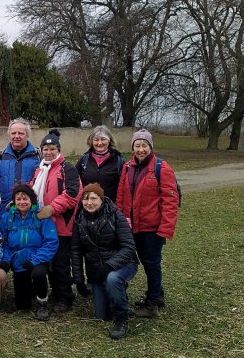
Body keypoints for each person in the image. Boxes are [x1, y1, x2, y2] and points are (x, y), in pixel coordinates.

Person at [116, 129, 180, 318]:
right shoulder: (127, 167)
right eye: (137, 145)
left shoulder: (162, 168)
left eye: (144, 145)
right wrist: (120, 220)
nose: (141, 149)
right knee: (141, 261)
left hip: (152, 228)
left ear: (150, 147)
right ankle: (157, 294)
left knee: (151, 264)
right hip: (132, 226)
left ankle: (152, 304)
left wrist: (165, 229)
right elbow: (121, 196)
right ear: (133, 147)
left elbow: (170, 200)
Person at [71, 183, 138, 339]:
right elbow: (76, 251)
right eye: (86, 199)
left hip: (124, 263)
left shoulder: (115, 215)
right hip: (97, 272)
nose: (89, 203)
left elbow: (128, 247)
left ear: (101, 199)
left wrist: (109, 266)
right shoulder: (79, 220)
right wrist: (79, 279)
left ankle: (122, 319)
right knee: (102, 315)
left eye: (94, 198)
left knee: (113, 279)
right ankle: (117, 295)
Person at [31, 129, 81, 313]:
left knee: (61, 263)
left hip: (62, 225)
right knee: (49, 262)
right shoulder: (40, 169)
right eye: (46, 149)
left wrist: (51, 208)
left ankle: (65, 296)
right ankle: (56, 291)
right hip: (44, 225)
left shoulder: (67, 169)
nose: (49, 152)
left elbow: (73, 194)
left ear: (58, 149)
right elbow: (32, 190)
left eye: (53, 149)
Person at [0, 184, 58, 321]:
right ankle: (29, 291)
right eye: (18, 199)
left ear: (32, 200)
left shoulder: (40, 216)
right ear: (14, 201)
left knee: (38, 274)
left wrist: (35, 260)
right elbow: (3, 242)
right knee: (22, 306)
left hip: (37, 259)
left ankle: (42, 302)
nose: (21, 202)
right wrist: (6, 260)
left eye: (25, 198)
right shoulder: (7, 217)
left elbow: (51, 242)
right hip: (19, 261)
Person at [0, 118, 40, 218]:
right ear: (9, 135)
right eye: (13, 133)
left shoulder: (37, 157)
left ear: (27, 135)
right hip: (6, 214)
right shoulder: (0, 158)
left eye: (20, 133)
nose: (16, 136)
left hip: (30, 215)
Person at [76, 125, 125, 203]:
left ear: (109, 141)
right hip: (88, 205)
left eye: (103, 139)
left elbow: (123, 187)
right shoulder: (84, 160)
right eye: (96, 140)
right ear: (91, 141)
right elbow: (76, 182)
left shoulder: (118, 160)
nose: (99, 143)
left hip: (110, 207)